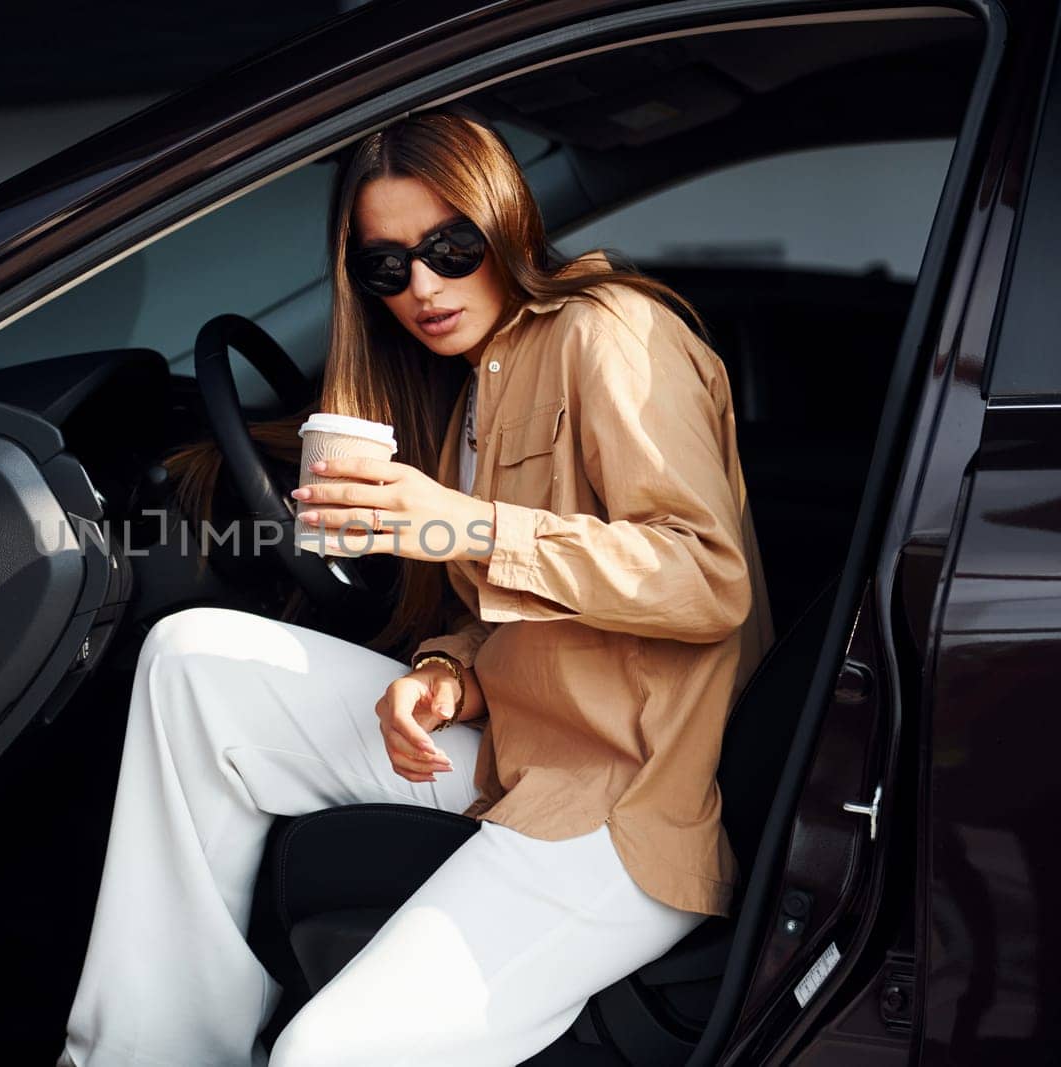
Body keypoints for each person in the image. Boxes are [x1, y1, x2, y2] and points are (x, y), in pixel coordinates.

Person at [56, 107, 774, 1066]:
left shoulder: (612, 332)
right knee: (191, 662)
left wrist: (452, 519)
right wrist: (451, 674)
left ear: (505, 223)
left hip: (619, 804)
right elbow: (530, 609)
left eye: (449, 246)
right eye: (386, 266)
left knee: (325, 1054)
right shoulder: (477, 384)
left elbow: (703, 577)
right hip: (512, 748)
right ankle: (152, 1051)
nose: (423, 286)